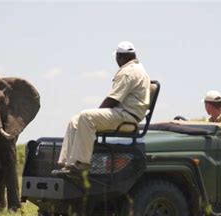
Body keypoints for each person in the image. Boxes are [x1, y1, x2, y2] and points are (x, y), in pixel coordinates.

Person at [53, 41, 150, 177]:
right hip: (124, 114)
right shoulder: (137, 68)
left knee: (86, 116)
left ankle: (81, 164)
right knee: (75, 120)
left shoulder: (128, 72)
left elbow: (113, 99)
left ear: (120, 57)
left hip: (127, 117)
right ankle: (66, 163)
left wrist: (98, 112)